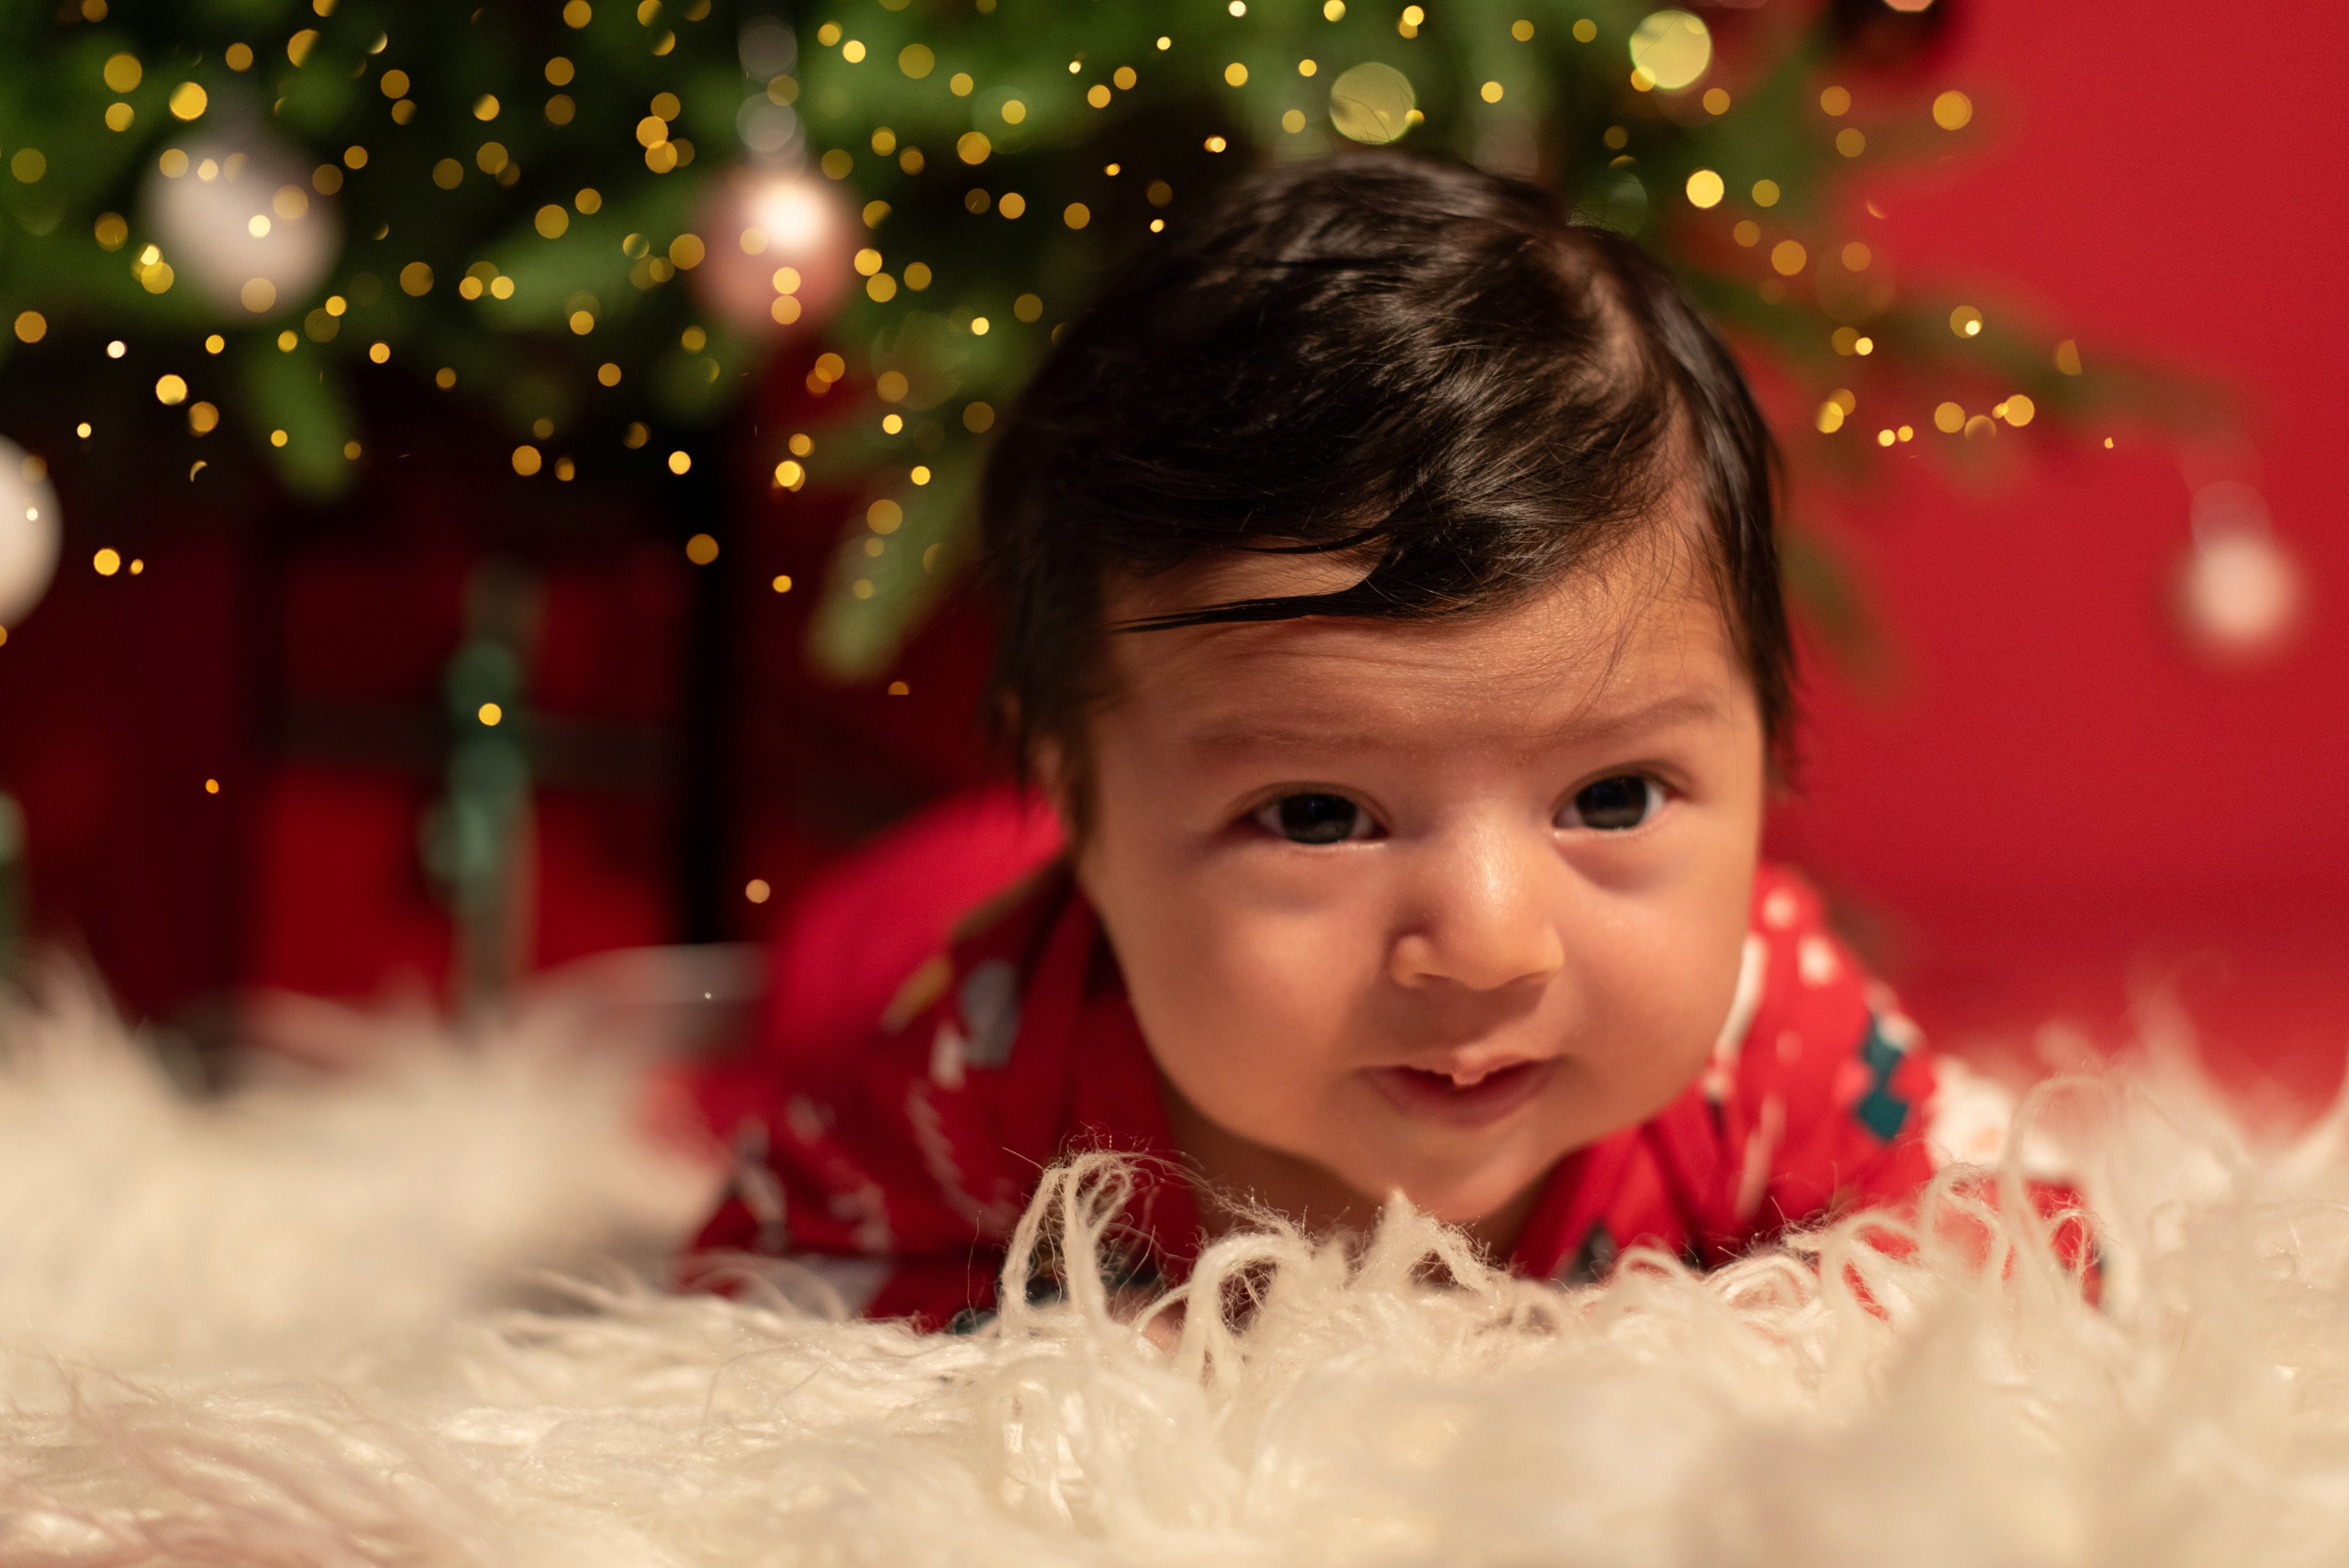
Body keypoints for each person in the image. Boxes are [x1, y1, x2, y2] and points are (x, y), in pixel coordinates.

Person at [683, 152, 1985, 1329]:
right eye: (1316, 813)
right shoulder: (994, 1041)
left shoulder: (1769, 1029)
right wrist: (1110, 1347)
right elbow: (750, 1294)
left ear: (1766, 743)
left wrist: (1760, 1356)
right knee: (821, 980)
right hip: (913, 909)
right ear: (1079, 799)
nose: (1486, 942)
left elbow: (2020, 1251)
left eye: (1613, 794)